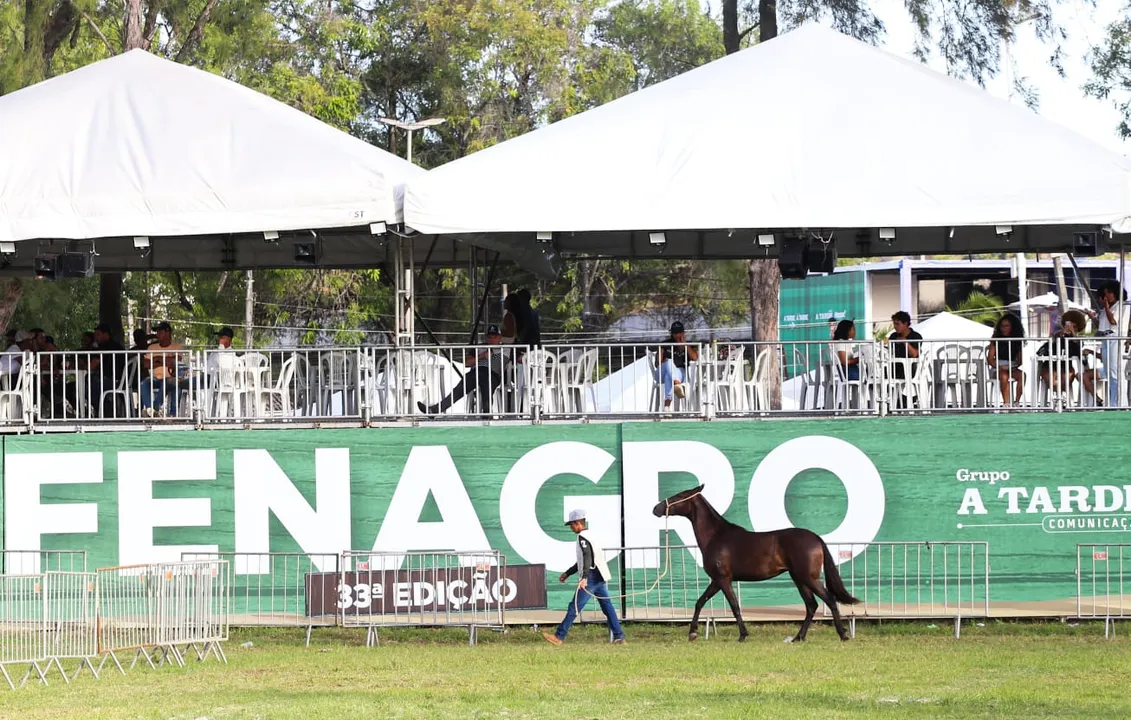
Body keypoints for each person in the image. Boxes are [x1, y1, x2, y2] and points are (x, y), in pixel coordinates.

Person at [543, 509, 626, 646]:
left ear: (577, 523)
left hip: (591, 577)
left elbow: (587, 557)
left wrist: (584, 577)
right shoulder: (591, 535)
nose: (571, 528)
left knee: (574, 606)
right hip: (600, 576)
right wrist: (568, 573)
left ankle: (559, 636)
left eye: (571, 525)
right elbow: (584, 560)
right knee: (608, 608)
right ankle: (619, 636)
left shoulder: (582, 537)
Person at [418, 325, 509, 414]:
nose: (492, 339)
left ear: (500, 337)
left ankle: (487, 412)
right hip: (476, 372)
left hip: (493, 374)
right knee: (459, 389)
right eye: (490, 337)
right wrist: (481, 356)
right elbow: (467, 363)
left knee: (487, 384)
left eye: (495, 337)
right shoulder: (479, 347)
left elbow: (520, 358)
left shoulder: (506, 348)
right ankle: (434, 410)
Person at [1036, 310, 1099, 405]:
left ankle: (1062, 399)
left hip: (1065, 368)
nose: (1070, 328)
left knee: (1065, 377)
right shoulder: (1057, 335)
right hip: (1050, 366)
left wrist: (1073, 334)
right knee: (1053, 378)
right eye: (1068, 325)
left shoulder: (1076, 341)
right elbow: (1051, 340)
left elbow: (1078, 348)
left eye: (1074, 327)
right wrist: (1062, 332)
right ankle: (1058, 399)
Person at [140, 321, 188, 417]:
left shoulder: (176, 347)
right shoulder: (151, 347)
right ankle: (150, 408)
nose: (157, 334)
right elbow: (146, 364)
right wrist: (165, 360)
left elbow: (175, 362)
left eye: (160, 332)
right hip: (155, 379)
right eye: (157, 332)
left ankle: (155, 408)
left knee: (170, 383)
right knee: (144, 383)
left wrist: (157, 359)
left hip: (170, 379)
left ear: (167, 333)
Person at [657, 321, 698, 408]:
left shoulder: (689, 345)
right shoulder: (665, 344)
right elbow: (657, 363)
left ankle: (666, 407)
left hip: (680, 373)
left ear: (683, 333)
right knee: (669, 363)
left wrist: (684, 344)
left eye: (679, 332)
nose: (677, 335)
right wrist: (663, 359)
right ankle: (677, 383)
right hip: (661, 373)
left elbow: (695, 358)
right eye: (675, 333)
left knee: (669, 376)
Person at [987, 313, 1025, 406]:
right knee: (1004, 376)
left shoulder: (1016, 341)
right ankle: (1006, 403)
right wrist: (1000, 367)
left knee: (1022, 375)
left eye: (1007, 326)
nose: (1003, 328)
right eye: (1002, 326)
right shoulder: (996, 340)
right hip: (997, 367)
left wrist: (1012, 366)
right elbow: (990, 360)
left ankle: (1016, 402)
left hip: (1012, 367)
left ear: (1013, 327)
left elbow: (1020, 361)